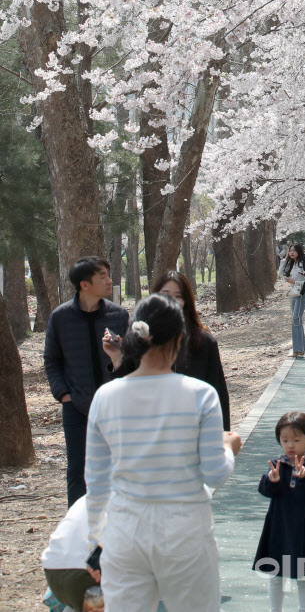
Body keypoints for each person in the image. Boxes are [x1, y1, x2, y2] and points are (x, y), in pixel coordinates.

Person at [85, 294, 242, 612]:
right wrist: (228, 449)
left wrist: (96, 542)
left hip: (124, 530)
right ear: (180, 338)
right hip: (184, 529)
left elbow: (96, 482)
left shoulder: (106, 396)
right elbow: (214, 473)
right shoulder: (201, 395)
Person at [44, 256, 129, 506]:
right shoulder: (60, 317)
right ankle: (78, 532)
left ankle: (114, 529)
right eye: (102, 276)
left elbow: (132, 361)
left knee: (117, 468)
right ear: (84, 285)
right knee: (77, 472)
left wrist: (118, 357)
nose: (109, 280)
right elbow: (51, 360)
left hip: (114, 407)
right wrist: (63, 395)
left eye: (108, 274)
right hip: (76, 407)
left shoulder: (119, 315)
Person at [103, 269, 231, 430]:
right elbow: (125, 387)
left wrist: (224, 436)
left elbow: (219, 394)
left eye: (178, 296)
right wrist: (116, 358)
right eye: (165, 294)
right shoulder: (140, 337)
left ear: (186, 302)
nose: (171, 300)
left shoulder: (204, 341)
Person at [253, 411, 305, 611]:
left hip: (304, 529)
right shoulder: (278, 466)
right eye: (285, 440)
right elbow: (265, 490)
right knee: (276, 574)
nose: (290, 445)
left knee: (304, 576)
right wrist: (272, 481)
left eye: (296, 439)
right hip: (278, 528)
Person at [279, 244, 305, 356]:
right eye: (290, 251)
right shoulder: (291, 263)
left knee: (296, 319)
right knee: (296, 320)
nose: (291, 252)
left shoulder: (302, 264)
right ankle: (300, 348)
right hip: (293, 293)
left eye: (294, 251)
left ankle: (298, 349)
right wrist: (285, 259)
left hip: (300, 293)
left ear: (299, 252)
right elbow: (281, 273)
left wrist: (295, 282)